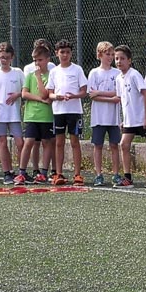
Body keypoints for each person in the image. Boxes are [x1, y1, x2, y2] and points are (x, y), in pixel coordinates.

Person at [114, 44, 146, 188]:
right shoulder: (118, 78)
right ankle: (127, 178)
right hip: (130, 120)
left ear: (129, 60)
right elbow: (123, 99)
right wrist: (124, 120)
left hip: (142, 119)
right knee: (124, 144)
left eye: (122, 58)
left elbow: (145, 94)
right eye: (117, 58)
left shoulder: (134, 75)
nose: (119, 61)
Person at [46, 39, 88, 186]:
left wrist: (74, 96)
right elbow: (50, 93)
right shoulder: (54, 71)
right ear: (56, 53)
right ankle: (59, 174)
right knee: (59, 142)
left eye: (67, 52)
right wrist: (57, 97)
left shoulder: (77, 69)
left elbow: (84, 91)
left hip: (74, 111)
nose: (65, 55)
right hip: (59, 111)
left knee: (75, 142)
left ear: (71, 54)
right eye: (62, 52)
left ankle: (77, 174)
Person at [0, 42, 25, 185]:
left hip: (14, 114)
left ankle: (21, 172)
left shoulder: (18, 72)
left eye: (7, 58)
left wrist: (17, 94)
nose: (5, 60)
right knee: (2, 142)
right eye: (2, 57)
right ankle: (7, 172)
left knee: (20, 143)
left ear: (12, 57)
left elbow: (25, 90)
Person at [17, 43, 55, 185]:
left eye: (40, 60)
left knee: (46, 142)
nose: (37, 63)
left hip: (46, 116)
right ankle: (22, 172)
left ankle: (43, 173)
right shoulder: (29, 75)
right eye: (35, 60)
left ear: (47, 60)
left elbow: (46, 93)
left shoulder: (51, 76)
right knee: (29, 142)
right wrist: (40, 99)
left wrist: (39, 78)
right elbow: (24, 93)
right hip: (31, 115)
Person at [87, 41, 123, 187]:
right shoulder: (94, 73)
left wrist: (101, 93)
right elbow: (92, 95)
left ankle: (116, 174)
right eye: (107, 54)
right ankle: (98, 175)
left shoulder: (117, 73)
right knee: (98, 146)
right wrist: (110, 99)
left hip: (113, 118)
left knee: (114, 145)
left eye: (112, 55)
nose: (110, 57)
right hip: (99, 117)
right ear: (99, 55)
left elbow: (118, 93)